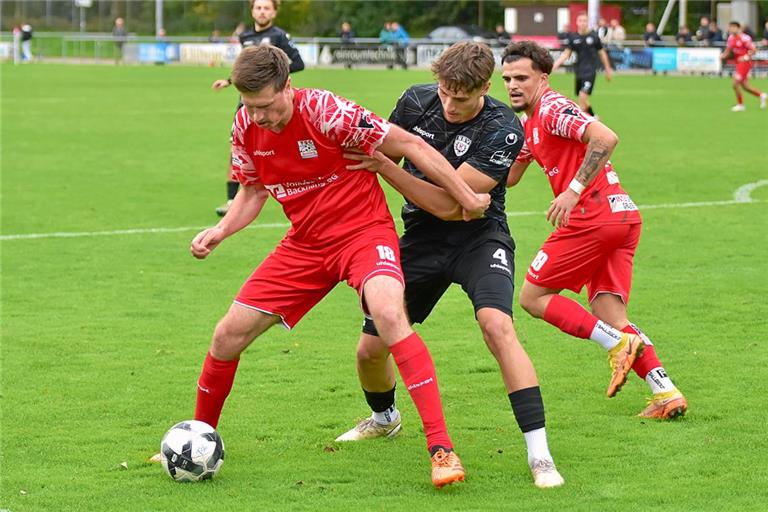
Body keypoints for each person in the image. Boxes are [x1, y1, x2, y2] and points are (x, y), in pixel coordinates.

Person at [163, 45, 493, 488]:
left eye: (264, 105)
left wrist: (466, 197)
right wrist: (221, 231)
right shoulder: (245, 124)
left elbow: (409, 143)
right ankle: (197, 438)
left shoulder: (326, 110)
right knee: (227, 336)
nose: (257, 116)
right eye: (248, 106)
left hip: (363, 234)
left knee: (391, 316)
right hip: (305, 245)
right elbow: (253, 191)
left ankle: (441, 450)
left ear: (287, 87)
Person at [335, 41, 565, 489]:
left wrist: (386, 167)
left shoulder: (503, 128)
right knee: (369, 350)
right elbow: (375, 152)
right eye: (444, 93)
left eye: (461, 97)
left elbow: (447, 204)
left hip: (480, 237)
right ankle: (385, 417)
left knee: (497, 326)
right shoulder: (414, 100)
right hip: (419, 241)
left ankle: (540, 455)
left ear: (483, 87)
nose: (450, 104)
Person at [500, 41, 688, 420]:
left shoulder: (552, 108)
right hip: (621, 219)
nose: (513, 85)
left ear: (543, 78)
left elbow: (605, 137)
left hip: (593, 217)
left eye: (521, 77)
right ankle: (665, 391)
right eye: (506, 78)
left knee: (532, 297)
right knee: (608, 310)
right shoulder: (530, 122)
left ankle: (617, 344)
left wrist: (572, 190)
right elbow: (508, 177)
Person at [212, 0, 305, 217]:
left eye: (266, 8)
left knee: (287, 144)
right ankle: (232, 199)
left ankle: (298, 190)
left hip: (273, 102)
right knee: (236, 147)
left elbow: (298, 64)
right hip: (246, 103)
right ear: (252, 11)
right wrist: (229, 81)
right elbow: (246, 70)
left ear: (274, 12)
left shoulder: (280, 37)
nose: (262, 12)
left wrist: (272, 77)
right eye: (258, 8)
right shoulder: (245, 37)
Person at [551, 13, 613, 118]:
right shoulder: (573, 37)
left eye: (585, 20)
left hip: (590, 72)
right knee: (583, 100)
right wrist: (554, 66)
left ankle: (581, 123)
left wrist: (608, 69)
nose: (583, 23)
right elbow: (566, 53)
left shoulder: (594, 37)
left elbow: (602, 53)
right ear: (577, 22)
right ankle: (594, 117)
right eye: (580, 20)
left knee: (582, 97)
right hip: (579, 72)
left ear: (587, 22)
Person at [720, 21, 767, 111]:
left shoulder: (745, 38)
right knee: (745, 86)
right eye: (730, 27)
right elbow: (728, 49)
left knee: (735, 84)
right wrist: (723, 55)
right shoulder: (731, 38)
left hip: (745, 63)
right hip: (738, 63)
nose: (731, 29)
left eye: (733, 27)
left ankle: (740, 105)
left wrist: (746, 57)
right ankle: (761, 95)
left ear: (738, 28)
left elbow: (754, 50)